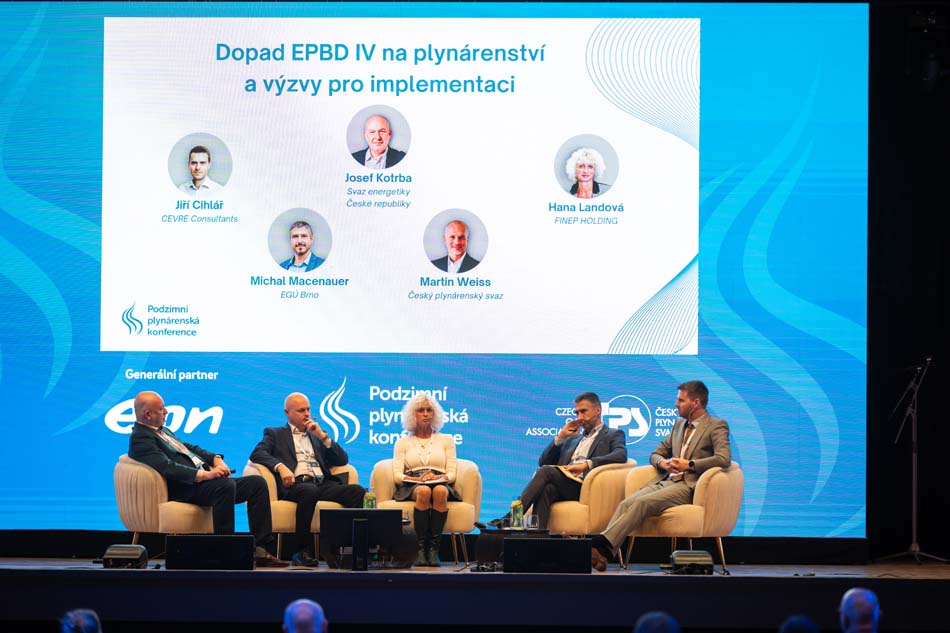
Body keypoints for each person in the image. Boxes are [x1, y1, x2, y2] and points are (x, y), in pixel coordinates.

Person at [128, 391, 286, 567]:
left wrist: (215, 459)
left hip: (206, 483)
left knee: (256, 483)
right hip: (187, 488)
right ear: (148, 414)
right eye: (161, 409)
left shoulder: (163, 430)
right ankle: (226, 550)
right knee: (224, 486)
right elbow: (167, 467)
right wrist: (206, 475)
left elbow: (189, 448)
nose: (166, 412)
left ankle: (261, 549)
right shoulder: (140, 438)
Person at [591, 380, 730, 571]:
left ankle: (600, 545)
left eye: (681, 400)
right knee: (626, 503)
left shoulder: (716, 425)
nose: (676, 404)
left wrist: (690, 464)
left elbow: (724, 458)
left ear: (696, 403)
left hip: (689, 486)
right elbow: (656, 454)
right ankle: (605, 553)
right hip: (667, 480)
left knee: (642, 503)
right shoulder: (679, 425)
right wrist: (662, 463)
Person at [250, 392, 365, 566]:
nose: (307, 414)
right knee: (309, 491)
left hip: (321, 483)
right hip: (295, 484)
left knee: (356, 492)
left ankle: (346, 549)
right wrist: (280, 467)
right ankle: (300, 551)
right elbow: (257, 453)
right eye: (301, 410)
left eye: (308, 410)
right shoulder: (275, 433)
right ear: (287, 413)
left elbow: (342, 460)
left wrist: (323, 436)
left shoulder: (316, 435)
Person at [486, 392, 627, 530]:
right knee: (547, 489)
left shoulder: (613, 434)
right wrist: (560, 437)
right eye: (577, 413)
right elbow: (543, 461)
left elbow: (621, 455)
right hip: (566, 484)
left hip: (587, 486)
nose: (579, 417)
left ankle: (512, 517)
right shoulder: (572, 438)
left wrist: (586, 464)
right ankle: (538, 536)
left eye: (584, 411)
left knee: (546, 471)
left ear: (597, 410)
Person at [392, 393, 462, 566]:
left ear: (435, 413)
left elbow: (452, 473)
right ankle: (421, 549)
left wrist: (439, 477)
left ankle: (433, 550)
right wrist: (416, 479)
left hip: (439, 480)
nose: (425, 414)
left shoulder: (446, 440)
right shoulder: (403, 442)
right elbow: (397, 476)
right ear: (412, 414)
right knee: (424, 491)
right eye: (420, 410)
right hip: (413, 482)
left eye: (429, 410)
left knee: (440, 491)